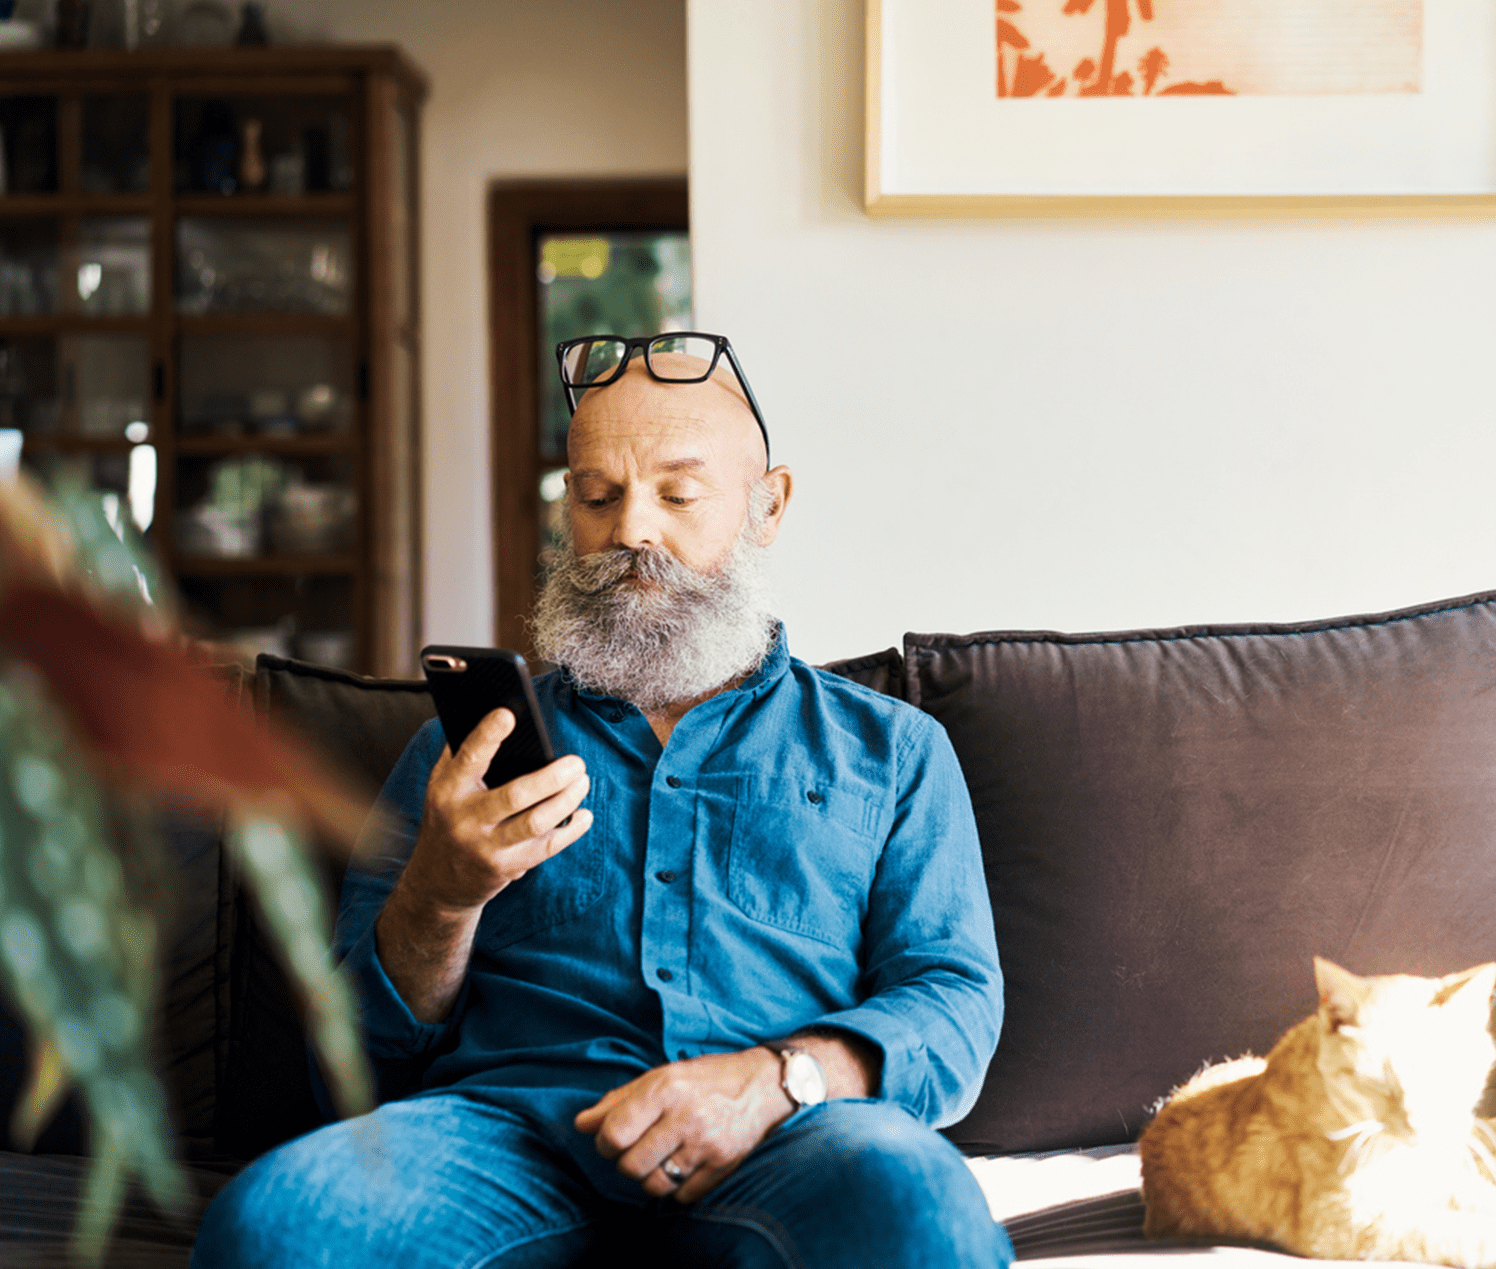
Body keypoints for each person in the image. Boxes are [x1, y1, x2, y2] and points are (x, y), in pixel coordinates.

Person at [192, 334, 1013, 1268]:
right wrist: (442, 893)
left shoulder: (895, 751)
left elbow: (952, 1001)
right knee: (273, 1226)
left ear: (768, 505)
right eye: (596, 496)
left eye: (677, 494)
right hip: (507, 1142)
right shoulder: (464, 750)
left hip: (785, 1137)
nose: (632, 530)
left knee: (917, 1207)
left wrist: (774, 1080)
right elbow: (353, 1060)